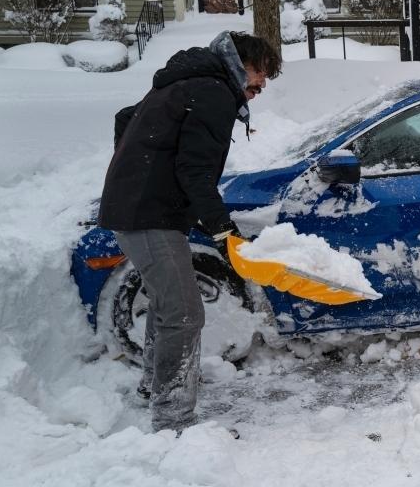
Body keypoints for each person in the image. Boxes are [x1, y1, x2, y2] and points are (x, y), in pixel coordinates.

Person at [98, 31, 282, 433]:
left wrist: (137, 175)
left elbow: (126, 118)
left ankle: (154, 388)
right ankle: (173, 420)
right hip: (149, 216)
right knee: (184, 313)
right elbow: (194, 171)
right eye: (259, 73)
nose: (261, 85)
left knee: (168, 307)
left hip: (140, 209)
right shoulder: (213, 92)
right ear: (239, 63)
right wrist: (222, 229)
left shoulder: (185, 82)